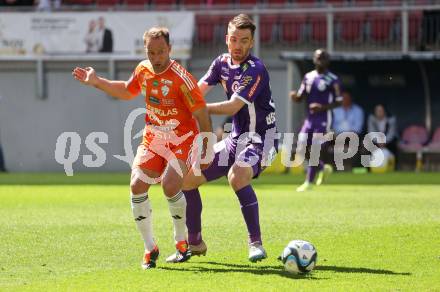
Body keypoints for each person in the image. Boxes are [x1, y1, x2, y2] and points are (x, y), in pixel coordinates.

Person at [72, 27, 212, 270]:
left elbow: (201, 112)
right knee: (137, 185)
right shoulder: (143, 69)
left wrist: (206, 147)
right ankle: (150, 248)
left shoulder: (182, 78)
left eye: (160, 52)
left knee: (170, 185)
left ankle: (181, 242)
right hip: (153, 138)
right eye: (151, 52)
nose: (156, 58)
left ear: (169, 49)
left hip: (183, 139)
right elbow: (127, 91)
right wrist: (97, 82)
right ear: (145, 51)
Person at [176, 14, 278, 263]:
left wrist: (200, 110)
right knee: (187, 180)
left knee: (237, 175)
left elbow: (232, 107)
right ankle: (195, 242)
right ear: (226, 40)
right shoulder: (221, 62)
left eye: (244, 40)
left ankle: (255, 243)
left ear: (251, 42)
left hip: (261, 140)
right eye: (234, 39)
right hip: (235, 139)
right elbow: (197, 91)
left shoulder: (255, 69)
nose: (238, 45)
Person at [290, 49, 342, 192]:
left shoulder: (332, 79)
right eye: (318, 58)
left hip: (324, 119)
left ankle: (308, 182)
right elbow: (300, 96)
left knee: (315, 149)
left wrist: (322, 107)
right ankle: (322, 168)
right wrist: (295, 97)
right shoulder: (308, 77)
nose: (320, 61)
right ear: (314, 59)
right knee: (300, 148)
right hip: (310, 119)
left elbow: (339, 101)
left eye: (323, 58)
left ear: (327, 61)